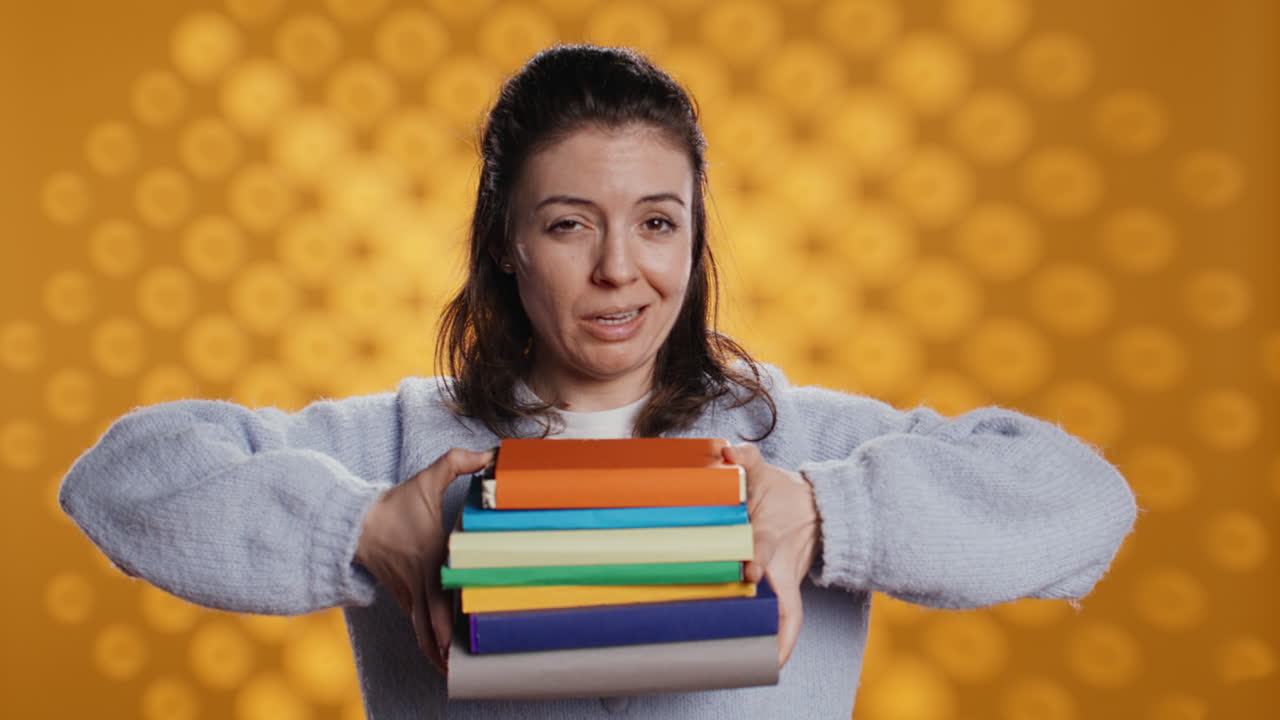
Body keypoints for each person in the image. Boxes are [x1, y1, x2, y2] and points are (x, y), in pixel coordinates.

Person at [60, 45, 1137, 719]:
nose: (620, 269)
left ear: (695, 236)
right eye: (569, 224)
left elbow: (1082, 499)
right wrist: (356, 531)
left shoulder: (800, 443)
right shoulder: (395, 452)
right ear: (505, 245)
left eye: (657, 224)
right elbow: (122, 479)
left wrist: (829, 511)